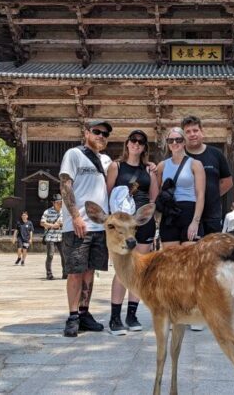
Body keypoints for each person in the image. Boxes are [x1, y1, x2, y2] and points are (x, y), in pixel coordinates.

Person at [59, 120, 114, 337]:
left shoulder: (106, 160)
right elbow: (65, 184)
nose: (101, 136)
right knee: (75, 271)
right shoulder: (74, 154)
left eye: (105, 134)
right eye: (97, 131)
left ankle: (84, 312)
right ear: (86, 133)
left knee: (90, 271)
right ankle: (72, 315)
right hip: (78, 224)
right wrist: (75, 217)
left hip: (99, 225)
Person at [106, 130, 159, 335]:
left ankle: (132, 314)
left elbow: (153, 198)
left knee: (138, 269)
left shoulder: (149, 170)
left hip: (142, 222)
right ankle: (114, 317)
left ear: (145, 147)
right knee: (122, 270)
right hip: (122, 225)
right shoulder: (115, 166)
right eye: (133, 141)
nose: (136, 144)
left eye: (141, 142)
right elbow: (109, 194)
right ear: (127, 144)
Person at [155, 127, 206, 247]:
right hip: (169, 213)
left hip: (189, 210)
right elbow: (156, 192)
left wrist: (195, 221)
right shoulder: (162, 166)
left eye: (178, 140)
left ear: (184, 142)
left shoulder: (195, 164)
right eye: (170, 140)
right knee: (171, 259)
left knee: (191, 260)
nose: (174, 143)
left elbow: (200, 194)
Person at [182, 116, 232, 236]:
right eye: (188, 132)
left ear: (202, 132)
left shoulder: (216, 154)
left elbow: (227, 182)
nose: (192, 134)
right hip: (187, 213)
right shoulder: (180, 155)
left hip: (212, 214)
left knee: (213, 251)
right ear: (183, 136)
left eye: (195, 130)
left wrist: (211, 195)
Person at [41, 194, 65, 280]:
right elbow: (42, 223)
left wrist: (62, 224)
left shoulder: (64, 211)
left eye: (61, 202)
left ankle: (65, 274)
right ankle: (49, 274)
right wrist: (52, 225)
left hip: (61, 236)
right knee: (50, 255)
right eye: (58, 202)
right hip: (50, 236)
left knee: (64, 255)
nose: (60, 204)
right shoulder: (47, 212)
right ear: (53, 203)